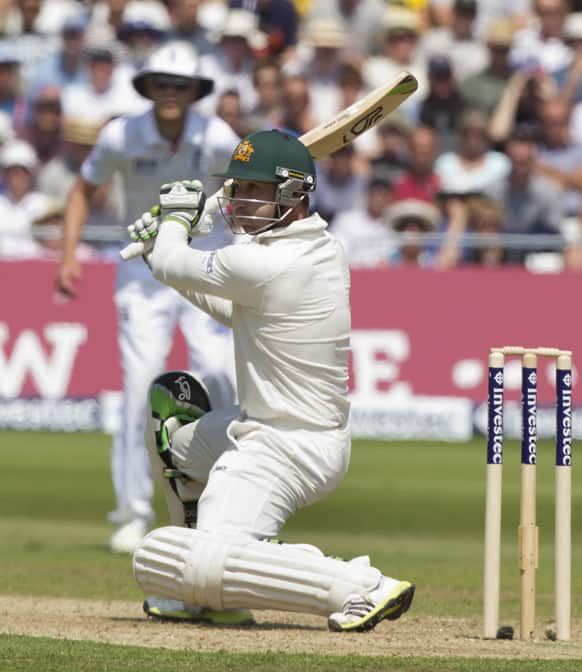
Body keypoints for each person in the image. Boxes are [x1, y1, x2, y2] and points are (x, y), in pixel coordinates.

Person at [128, 128, 415, 630]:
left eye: (252, 191)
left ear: (292, 195)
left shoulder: (272, 260)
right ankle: (203, 590)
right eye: (234, 189)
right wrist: (162, 253)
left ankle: (358, 585)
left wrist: (175, 221)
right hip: (258, 428)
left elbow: (187, 263)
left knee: (200, 559)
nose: (237, 201)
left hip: (292, 446)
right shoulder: (316, 248)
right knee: (172, 437)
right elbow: (229, 303)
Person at [56, 42, 240, 555]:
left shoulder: (218, 136)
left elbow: (249, 190)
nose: (172, 94)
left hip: (204, 267)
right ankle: (133, 512)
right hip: (144, 270)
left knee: (220, 379)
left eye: (181, 85)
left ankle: (229, 501)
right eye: (163, 83)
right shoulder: (121, 135)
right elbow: (80, 191)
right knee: (140, 389)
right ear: (150, 88)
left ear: (195, 91)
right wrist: (68, 258)